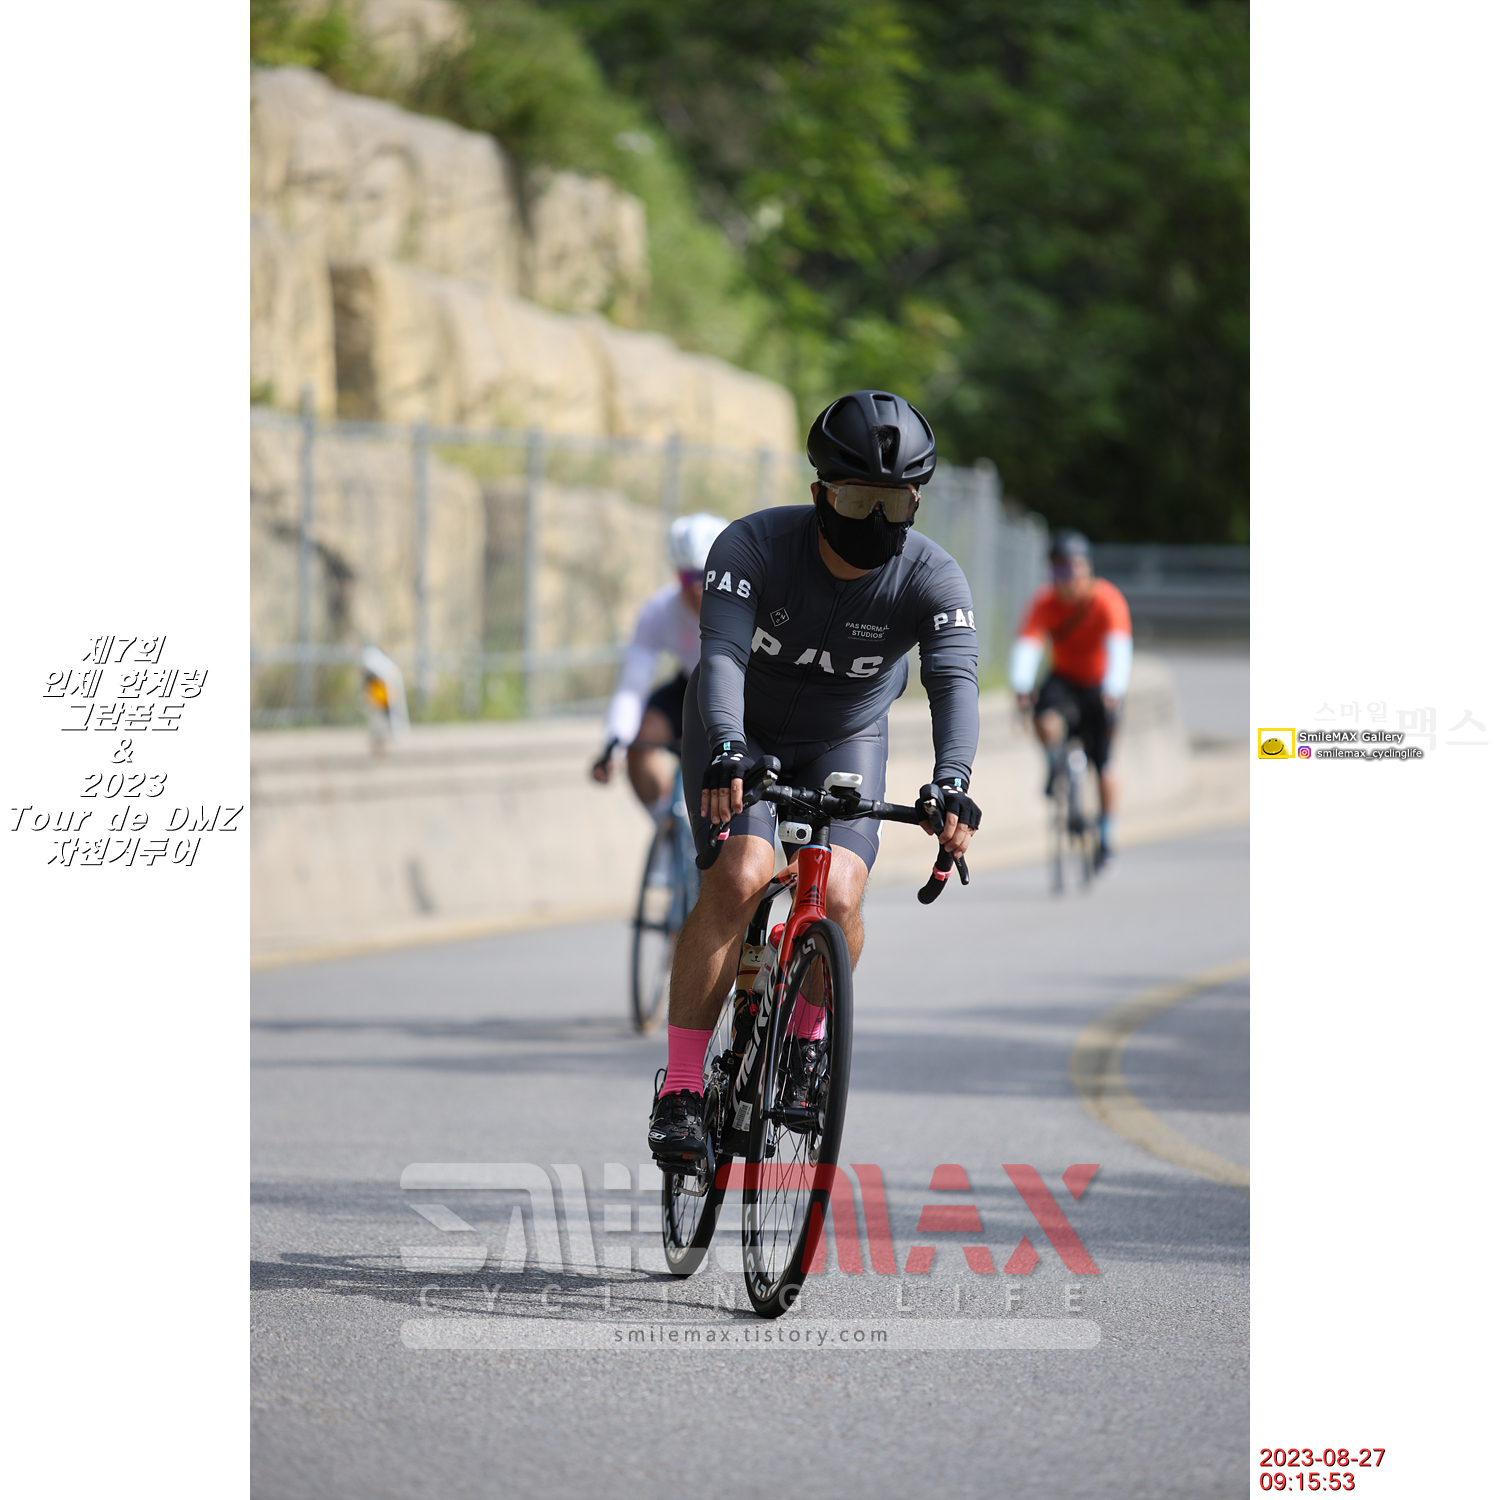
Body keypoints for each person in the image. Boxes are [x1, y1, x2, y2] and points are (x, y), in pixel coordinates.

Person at [647, 390, 984, 1165]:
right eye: (860, 500)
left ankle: (804, 1043)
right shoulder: (752, 547)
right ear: (821, 495)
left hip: (846, 737)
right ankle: (684, 1089)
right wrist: (727, 745)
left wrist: (953, 780)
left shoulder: (934, 578)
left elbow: (954, 682)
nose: (877, 520)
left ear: (916, 502)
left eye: (896, 503)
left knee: (838, 894)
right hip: (740, 731)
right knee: (742, 874)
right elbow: (721, 656)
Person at [1009, 530, 1133, 867]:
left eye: (1070, 569)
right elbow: (1029, 645)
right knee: (1042, 716)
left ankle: (1106, 835)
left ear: (1086, 568)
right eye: (1057, 569)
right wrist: (1021, 685)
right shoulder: (1045, 602)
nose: (1064, 577)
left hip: (1099, 684)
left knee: (1104, 762)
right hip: (1064, 678)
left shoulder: (1107, 600)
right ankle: (1054, 764)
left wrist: (1113, 691)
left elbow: (1119, 650)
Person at [591, 513, 728, 816]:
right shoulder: (660, 611)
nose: (697, 587)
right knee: (640, 739)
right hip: (692, 686)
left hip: (742, 691)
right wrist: (615, 742)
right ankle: (668, 827)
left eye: (706, 575)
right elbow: (632, 687)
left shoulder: (747, 604)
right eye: (687, 577)